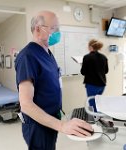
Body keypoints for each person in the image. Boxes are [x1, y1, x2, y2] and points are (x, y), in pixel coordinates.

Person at [15, 10, 93, 150]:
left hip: (50, 119)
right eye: (53, 28)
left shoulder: (48, 53)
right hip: (38, 125)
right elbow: (26, 104)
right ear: (38, 29)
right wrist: (62, 126)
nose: (58, 32)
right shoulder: (28, 56)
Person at [81, 39, 109, 112]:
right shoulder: (104, 57)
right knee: (98, 102)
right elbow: (106, 71)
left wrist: (83, 65)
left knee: (92, 104)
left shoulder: (87, 57)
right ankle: (99, 118)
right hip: (102, 85)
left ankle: (95, 120)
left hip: (92, 85)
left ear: (90, 47)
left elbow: (83, 72)